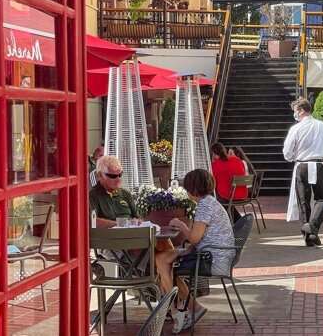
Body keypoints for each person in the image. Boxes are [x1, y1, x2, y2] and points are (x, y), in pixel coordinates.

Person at [155, 169, 235, 333]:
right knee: (165, 260)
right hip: (216, 254)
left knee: (162, 261)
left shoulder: (205, 206)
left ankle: (176, 311)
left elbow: (194, 238)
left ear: (192, 188)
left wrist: (180, 224)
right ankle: (190, 308)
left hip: (212, 259)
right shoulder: (211, 202)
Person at [284, 98, 323, 247]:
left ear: (301, 110)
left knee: (304, 201)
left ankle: (310, 232)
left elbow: (287, 154)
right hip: (318, 164)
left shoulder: (295, 129)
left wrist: (295, 156)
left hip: (302, 165)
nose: (294, 114)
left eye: (295, 111)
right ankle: (312, 229)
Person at [89, 155, 137, 227]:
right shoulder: (92, 196)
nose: (118, 179)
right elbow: (92, 222)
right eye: (112, 176)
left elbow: (137, 218)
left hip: (131, 235)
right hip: (109, 236)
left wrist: (137, 222)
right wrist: (122, 224)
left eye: (120, 175)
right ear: (100, 175)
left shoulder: (126, 194)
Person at [211, 142, 247, 221]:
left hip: (228, 196)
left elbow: (212, 182)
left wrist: (213, 163)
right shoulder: (237, 160)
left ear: (214, 154)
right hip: (243, 193)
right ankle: (238, 220)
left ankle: (221, 221)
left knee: (212, 196)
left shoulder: (216, 165)